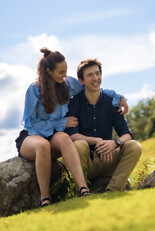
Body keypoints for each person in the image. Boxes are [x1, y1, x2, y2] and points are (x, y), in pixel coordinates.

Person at [15, 48, 128, 207]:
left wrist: (119, 97)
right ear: (49, 71)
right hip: (32, 137)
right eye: (61, 71)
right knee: (43, 145)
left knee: (64, 138)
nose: (65, 74)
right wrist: (61, 123)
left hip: (54, 137)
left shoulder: (68, 84)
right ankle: (45, 198)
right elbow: (30, 123)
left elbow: (93, 89)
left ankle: (83, 189)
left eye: (66, 70)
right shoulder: (34, 90)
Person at [65, 58, 142, 192]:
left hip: (108, 159)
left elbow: (126, 135)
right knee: (79, 144)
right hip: (85, 163)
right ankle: (82, 190)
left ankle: (113, 190)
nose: (95, 78)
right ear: (81, 81)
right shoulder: (74, 104)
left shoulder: (112, 102)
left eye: (97, 73)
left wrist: (115, 142)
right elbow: (71, 135)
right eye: (90, 75)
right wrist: (95, 140)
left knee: (134, 146)